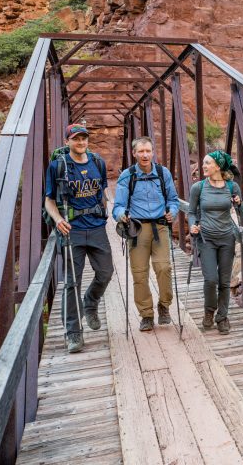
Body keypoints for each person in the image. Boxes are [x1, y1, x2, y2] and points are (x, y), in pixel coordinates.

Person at [44, 123, 113, 354]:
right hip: (72, 230)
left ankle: (91, 302)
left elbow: (102, 192)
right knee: (72, 282)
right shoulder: (57, 166)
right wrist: (57, 219)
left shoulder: (98, 163)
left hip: (97, 228)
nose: (81, 142)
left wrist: (111, 215)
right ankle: (73, 333)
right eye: (76, 139)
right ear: (67, 142)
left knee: (105, 273)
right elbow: (49, 200)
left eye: (84, 138)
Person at [112, 136, 179, 332]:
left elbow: (174, 200)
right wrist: (121, 215)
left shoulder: (162, 172)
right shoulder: (127, 175)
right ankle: (146, 315)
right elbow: (118, 206)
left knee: (164, 268)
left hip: (160, 226)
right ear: (134, 154)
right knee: (139, 274)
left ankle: (164, 305)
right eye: (140, 151)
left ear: (152, 152)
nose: (145, 155)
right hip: (138, 229)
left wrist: (172, 212)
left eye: (148, 151)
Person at [188, 150, 243, 335]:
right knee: (211, 279)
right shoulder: (198, 188)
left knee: (224, 282)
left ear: (218, 166)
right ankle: (209, 311)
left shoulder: (231, 186)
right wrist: (192, 226)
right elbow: (191, 212)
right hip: (206, 239)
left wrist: (238, 202)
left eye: (207, 163)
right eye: (203, 163)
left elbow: (242, 213)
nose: (203, 166)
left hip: (227, 239)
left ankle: (222, 317)